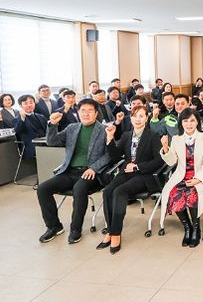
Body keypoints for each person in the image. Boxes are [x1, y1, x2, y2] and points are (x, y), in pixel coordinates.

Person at [36, 100, 110, 244]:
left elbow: (109, 155)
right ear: (78, 113)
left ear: (96, 113)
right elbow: (52, 142)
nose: (86, 114)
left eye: (90, 110)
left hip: (92, 173)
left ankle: (76, 229)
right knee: (43, 188)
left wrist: (94, 168)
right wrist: (52, 125)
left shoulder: (104, 130)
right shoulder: (72, 128)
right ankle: (54, 227)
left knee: (79, 188)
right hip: (69, 172)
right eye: (83, 110)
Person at [99, 105, 164, 254]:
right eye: (135, 116)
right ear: (131, 118)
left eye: (141, 116)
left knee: (119, 191)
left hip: (144, 175)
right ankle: (110, 230)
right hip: (126, 173)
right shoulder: (127, 135)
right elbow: (116, 156)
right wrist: (110, 138)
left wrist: (137, 167)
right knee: (108, 191)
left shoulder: (153, 136)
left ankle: (115, 233)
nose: (138, 119)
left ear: (146, 118)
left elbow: (159, 161)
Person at [159, 109, 203, 248]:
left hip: (199, 175)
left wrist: (198, 179)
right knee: (173, 193)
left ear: (197, 122)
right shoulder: (176, 139)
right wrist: (165, 148)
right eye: (185, 121)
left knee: (192, 194)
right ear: (181, 123)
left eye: (192, 121)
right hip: (181, 176)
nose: (189, 124)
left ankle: (196, 228)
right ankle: (187, 227)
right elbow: (172, 162)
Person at [13, 94, 48, 158]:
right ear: (21, 106)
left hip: (45, 147)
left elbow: (47, 131)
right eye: (26, 103)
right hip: (31, 149)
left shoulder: (41, 117)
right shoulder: (17, 119)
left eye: (31, 102)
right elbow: (18, 131)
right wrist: (22, 118)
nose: (29, 105)